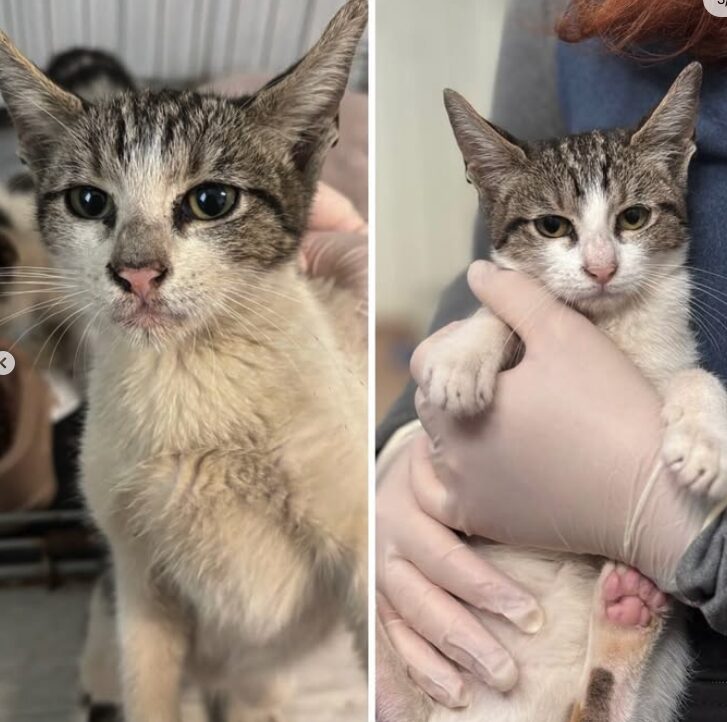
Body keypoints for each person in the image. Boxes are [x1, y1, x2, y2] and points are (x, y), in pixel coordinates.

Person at [376, 1, 727, 719]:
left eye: (631, 218)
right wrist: (400, 444)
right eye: (556, 227)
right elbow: (489, 268)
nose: (599, 265)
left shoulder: (663, 299)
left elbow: (680, 381)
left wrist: (695, 539)